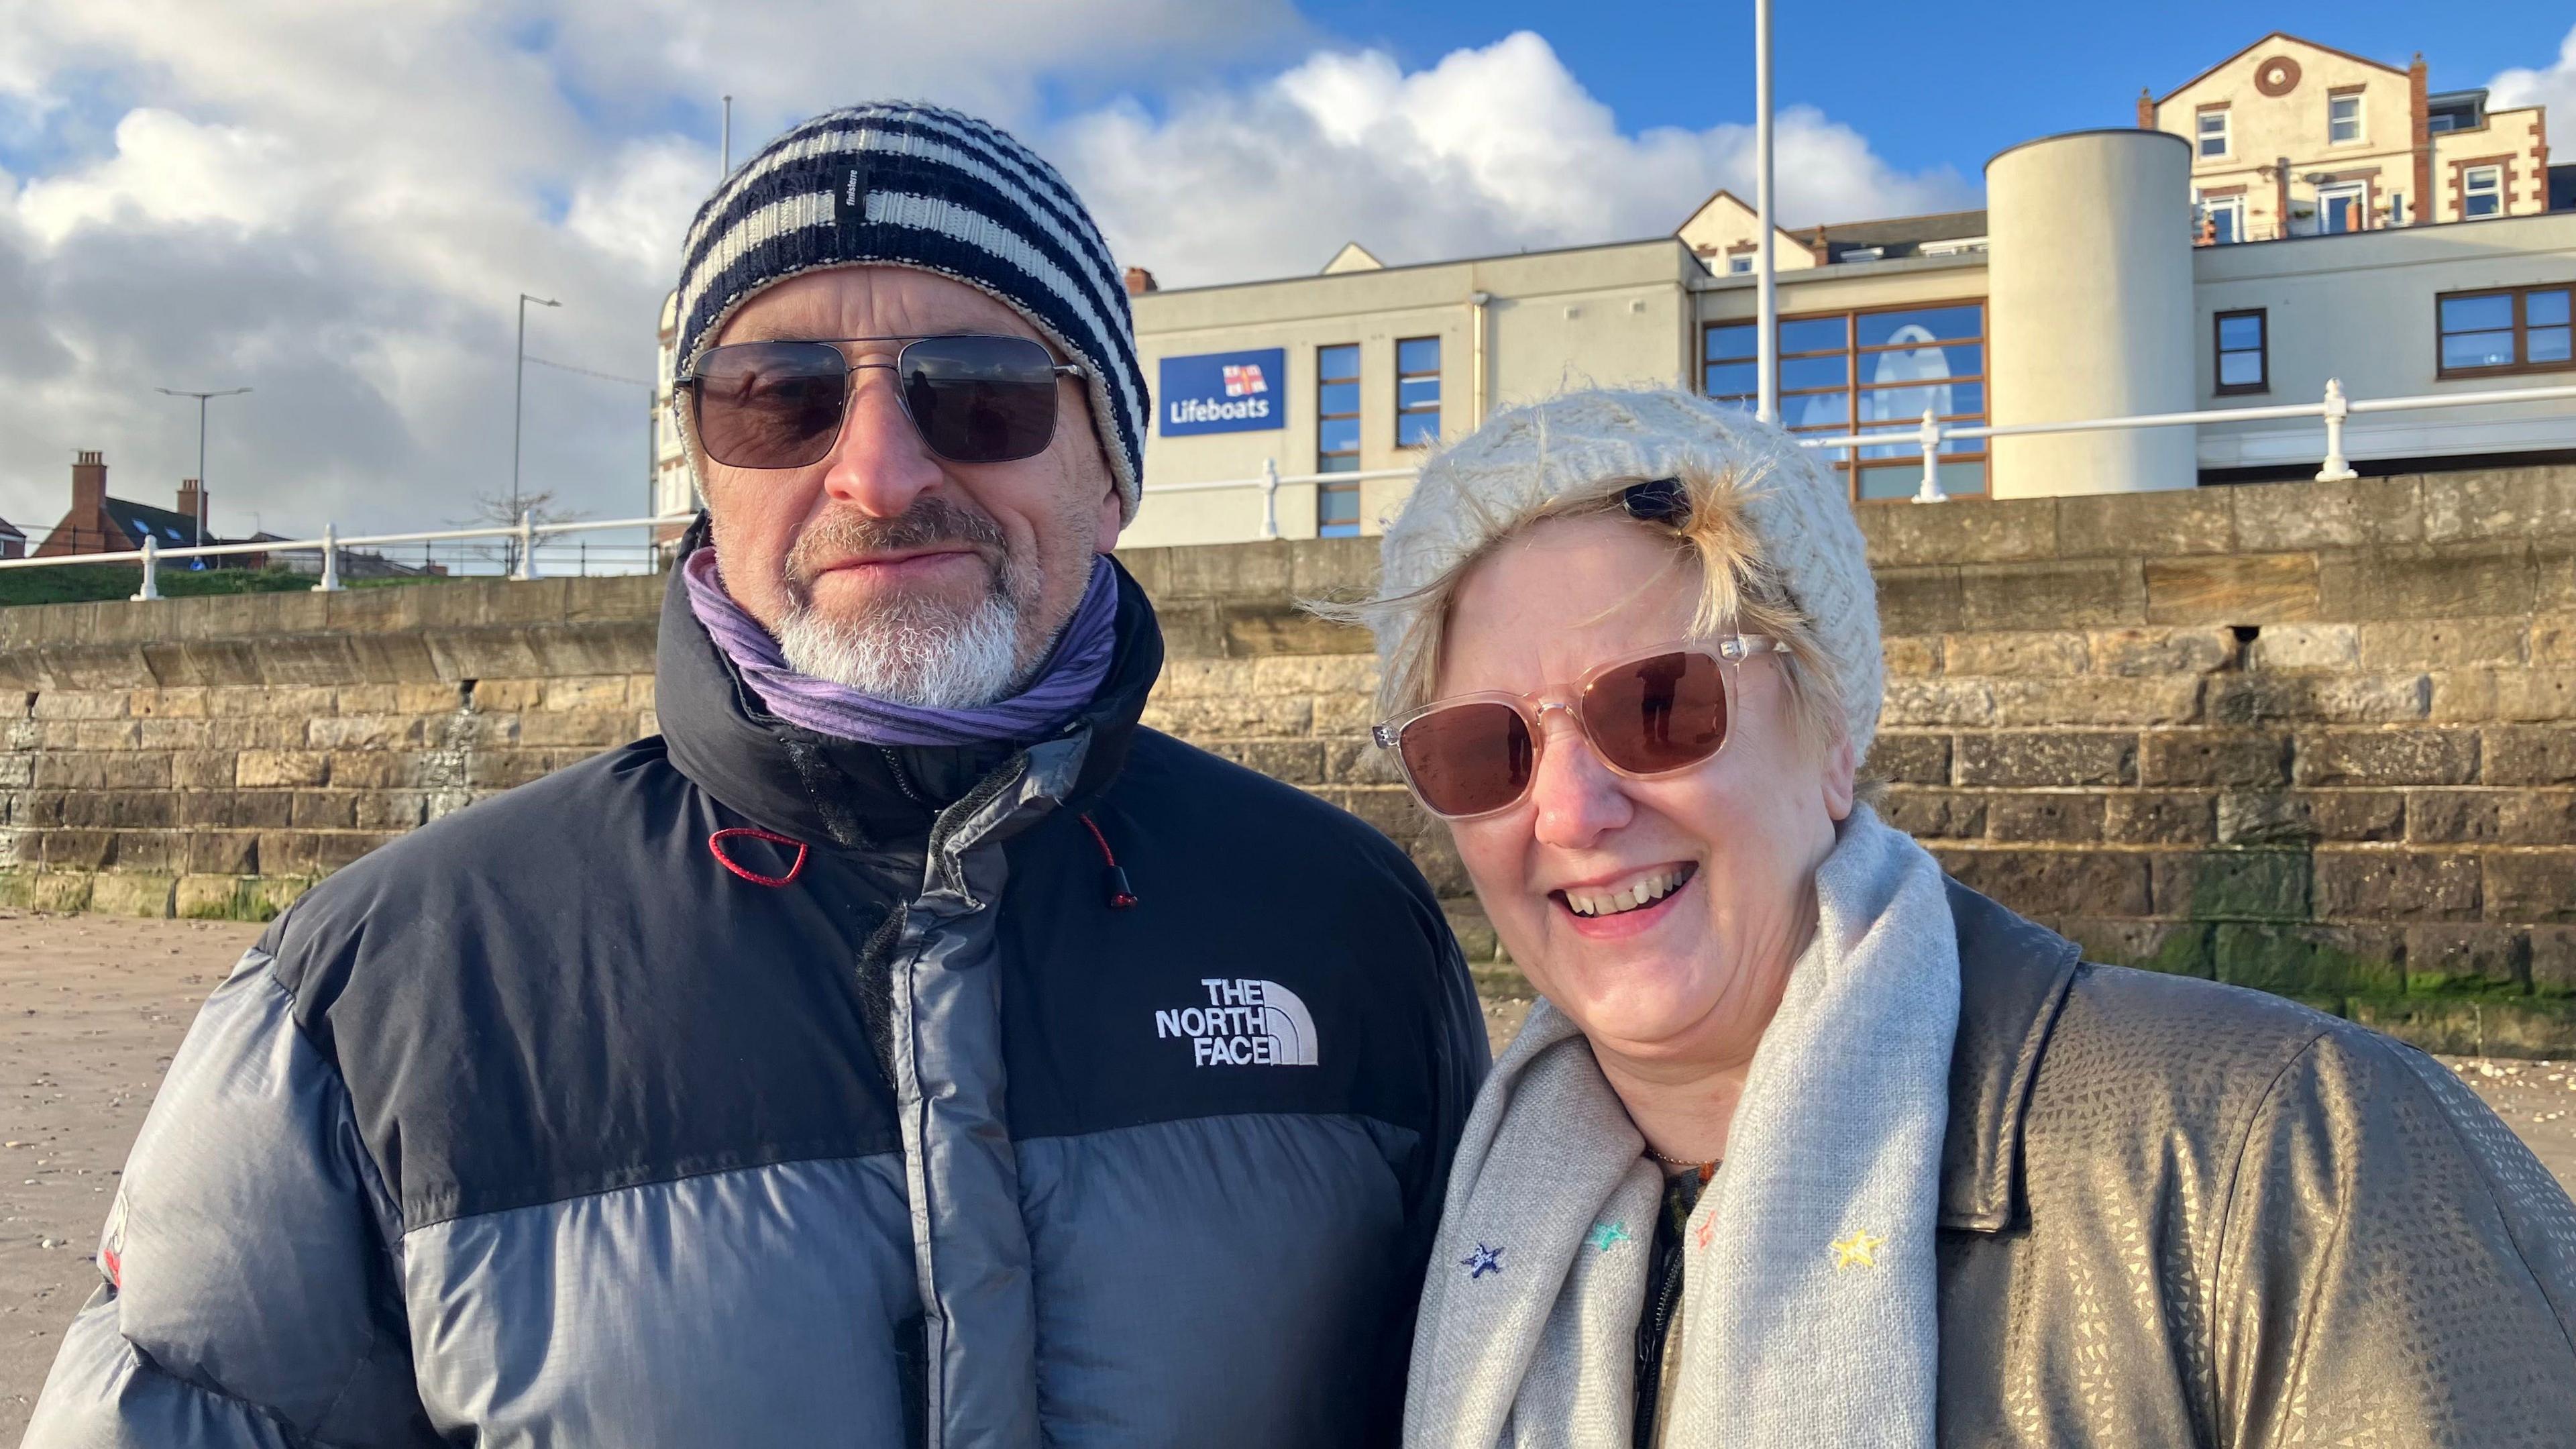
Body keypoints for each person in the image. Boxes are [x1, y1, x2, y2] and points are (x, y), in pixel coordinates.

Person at [26, 102, 1485, 1448]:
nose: (879, 472)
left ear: (1111, 471)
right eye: (778, 398)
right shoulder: (378, 987)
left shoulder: (1345, 923)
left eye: (981, 393)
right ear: (704, 476)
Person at [1344, 388, 2576, 1448]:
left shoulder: (2290, 1159)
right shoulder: (1450, 1235)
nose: (1571, 809)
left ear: (1833, 733)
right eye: (1482, 749)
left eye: (1656, 706)